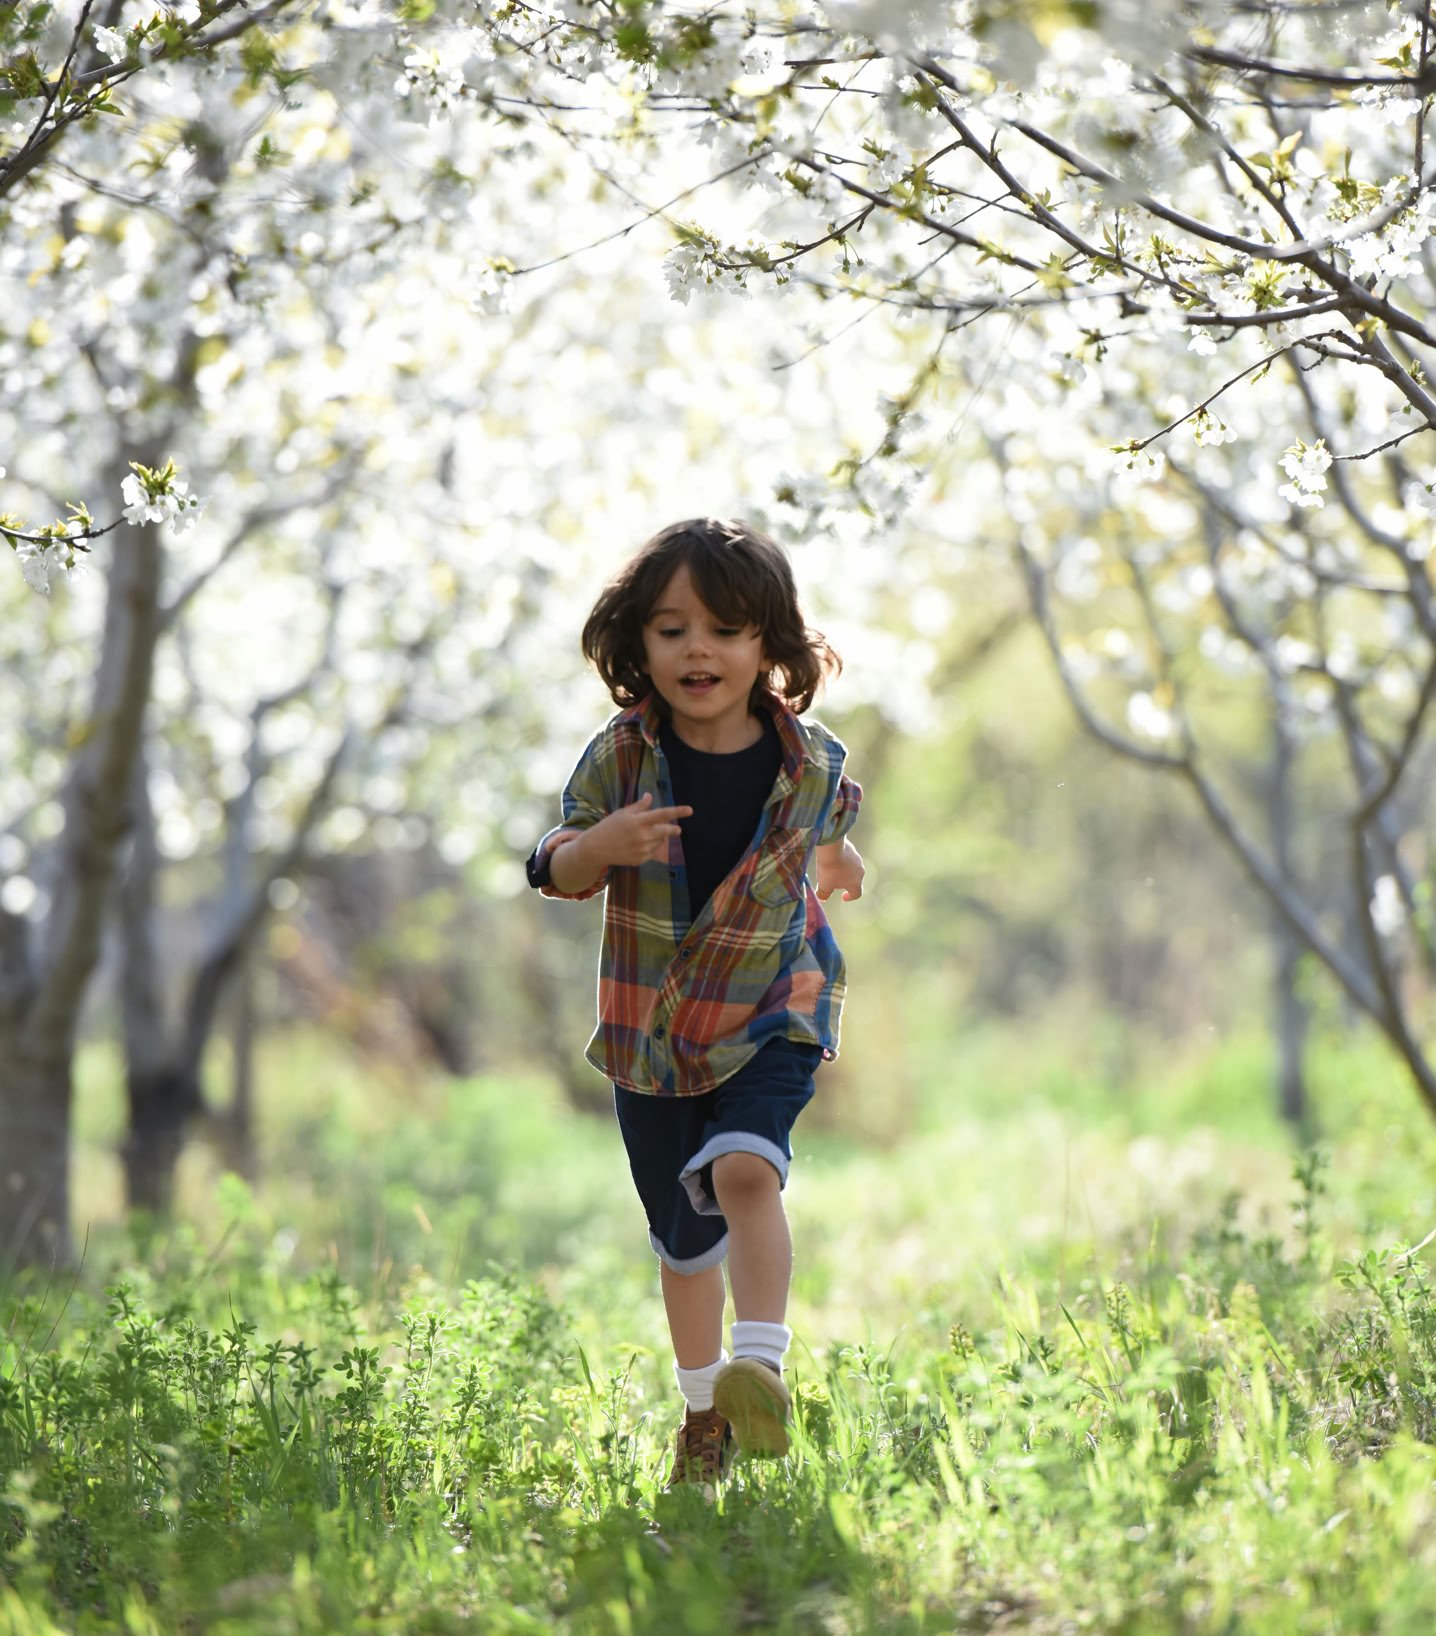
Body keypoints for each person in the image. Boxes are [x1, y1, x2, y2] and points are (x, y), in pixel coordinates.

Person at [524, 517, 865, 1494]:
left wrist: (840, 862)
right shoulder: (621, 761)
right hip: (656, 1034)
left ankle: (759, 1364)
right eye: (670, 630)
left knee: (747, 1171)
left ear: (769, 647)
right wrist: (598, 850)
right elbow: (551, 860)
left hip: (774, 1002)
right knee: (684, 1238)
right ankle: (703, 1409)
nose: (697, 650)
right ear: (636, 646)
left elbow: (831, 822)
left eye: (723, 628)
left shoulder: (809, 759)